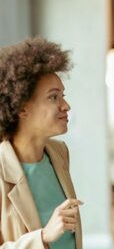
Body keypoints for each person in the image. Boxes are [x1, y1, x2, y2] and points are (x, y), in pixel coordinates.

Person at [0, 38, 83, 249]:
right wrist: (43, 236)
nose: (66, 106)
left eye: (62, 96)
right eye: (53, 97)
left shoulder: (59, 153)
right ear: (21, 107)